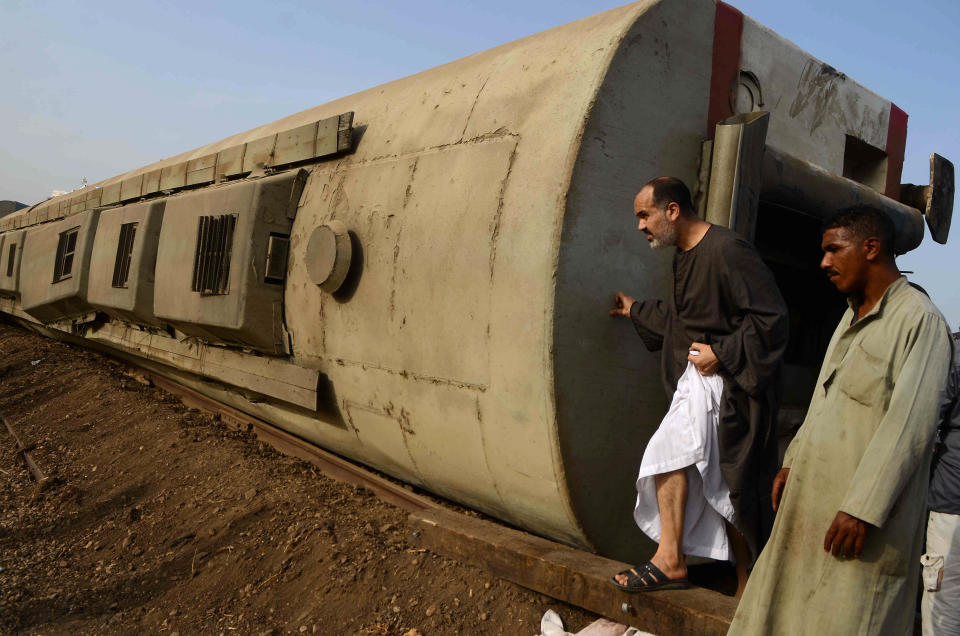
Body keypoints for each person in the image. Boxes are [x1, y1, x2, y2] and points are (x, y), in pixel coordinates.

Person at [728, 206, 953, 635]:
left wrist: (862, 509)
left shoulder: (919, 321)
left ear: (871, 248)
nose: (824, 262)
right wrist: (793, 459)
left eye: (834, 250)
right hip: (814, 503)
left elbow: (911, 427)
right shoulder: (851, 316)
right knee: (788, 612)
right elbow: (824, 400)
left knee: (850, 617)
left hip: (861, 522)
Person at [609, 177, 788, 595]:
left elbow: (772, 319)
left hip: (730, 389)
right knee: (721, 486)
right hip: (699, 385)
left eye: (644, 215)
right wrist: (635, 309)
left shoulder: (727, 250)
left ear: (672, 210)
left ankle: (677, 563)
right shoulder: (683, 257)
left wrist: (722, 353)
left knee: (681, 459)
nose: (640, 226)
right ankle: (737, 584)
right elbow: (682, 322)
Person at [922, 329, 960, 635]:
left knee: (944, 609)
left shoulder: (954, 354)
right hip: (951, 502)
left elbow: (925, 424)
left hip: (951, 505)